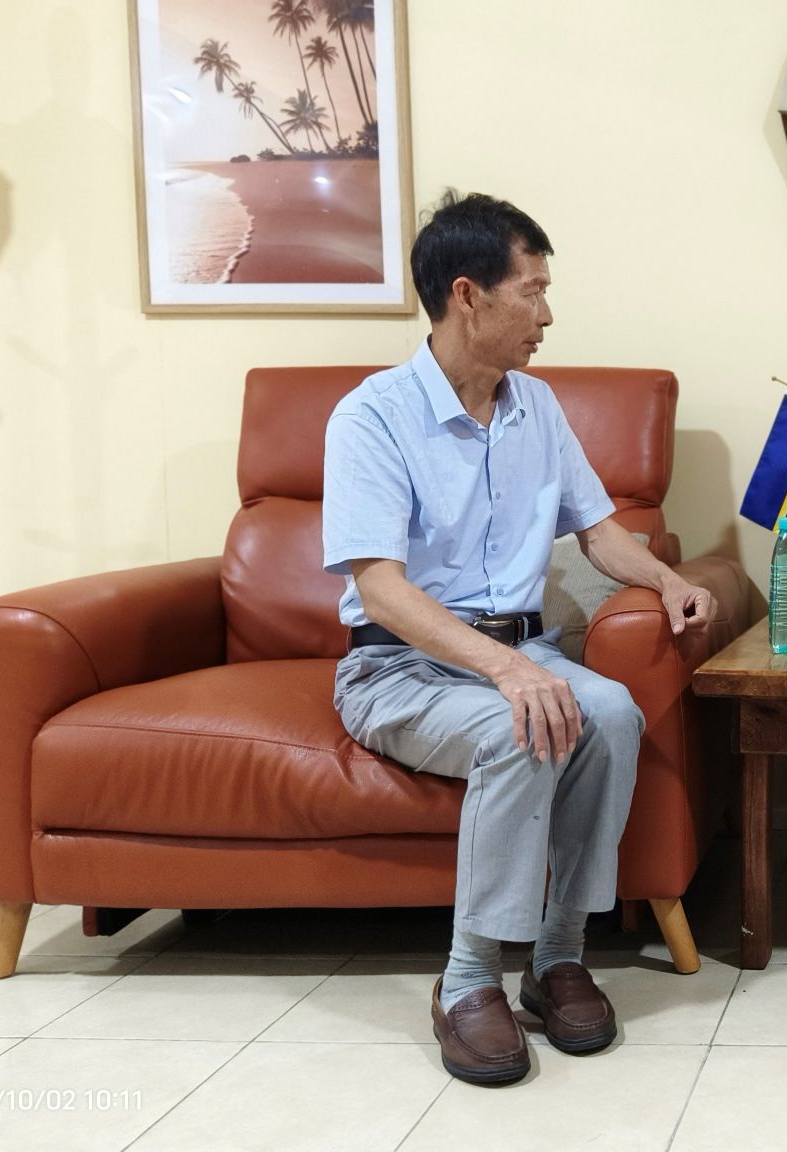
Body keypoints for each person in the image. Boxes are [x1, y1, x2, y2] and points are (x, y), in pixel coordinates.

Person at [322, 191, 716, 1085]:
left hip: (519, 652)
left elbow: (598, 530)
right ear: (468, 295)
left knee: (610, 713)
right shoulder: (373, 417)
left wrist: (668, 580)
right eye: (532, 291)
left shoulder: (535, 404)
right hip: (397, 668)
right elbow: (379, 588)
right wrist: (506, 670)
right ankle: (467, 979)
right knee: (523, 725)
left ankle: (557, 958)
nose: (547, 315)